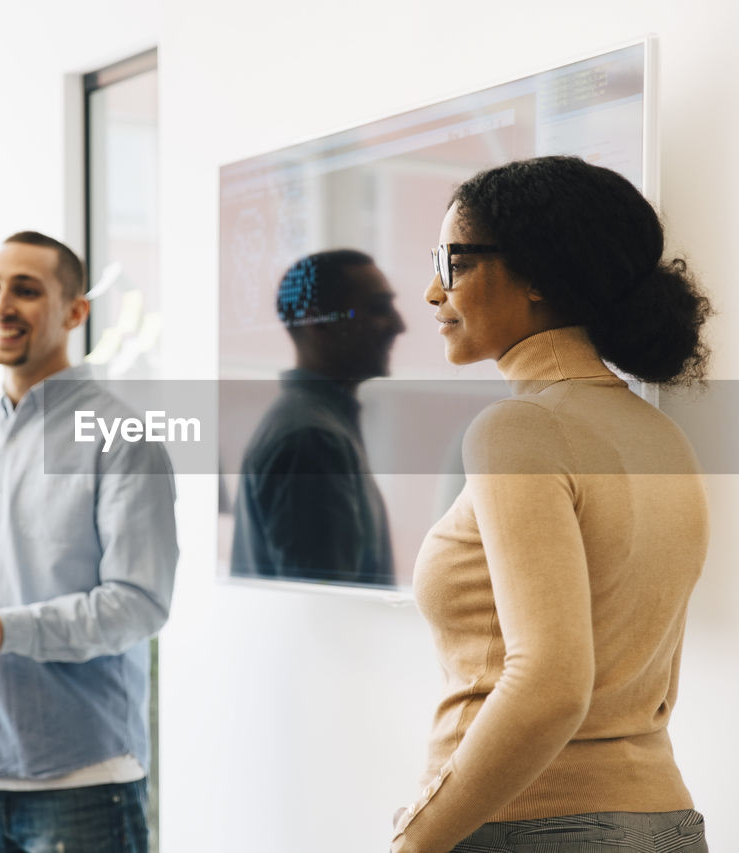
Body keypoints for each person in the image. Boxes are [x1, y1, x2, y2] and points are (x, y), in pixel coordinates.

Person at [391, 156, 713, 853]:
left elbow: (551, 682)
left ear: (536, 274)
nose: (430, 291)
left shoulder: (520, 428)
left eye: (454, 264)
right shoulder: (659, 434)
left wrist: (416, 837)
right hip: (662, 823)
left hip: (533, 825)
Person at [0, 231, 178, 853]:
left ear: (75, 312)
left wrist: (7, 629)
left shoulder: (123, 439)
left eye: (26, 291)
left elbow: (138, 604)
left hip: (81, 778)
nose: (2, 305)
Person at [230, 249, 405, 587]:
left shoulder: (316, 426)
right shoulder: (310, 439)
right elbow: (325, 612)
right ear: (317, 322)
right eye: (378, 308)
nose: (399, 325)